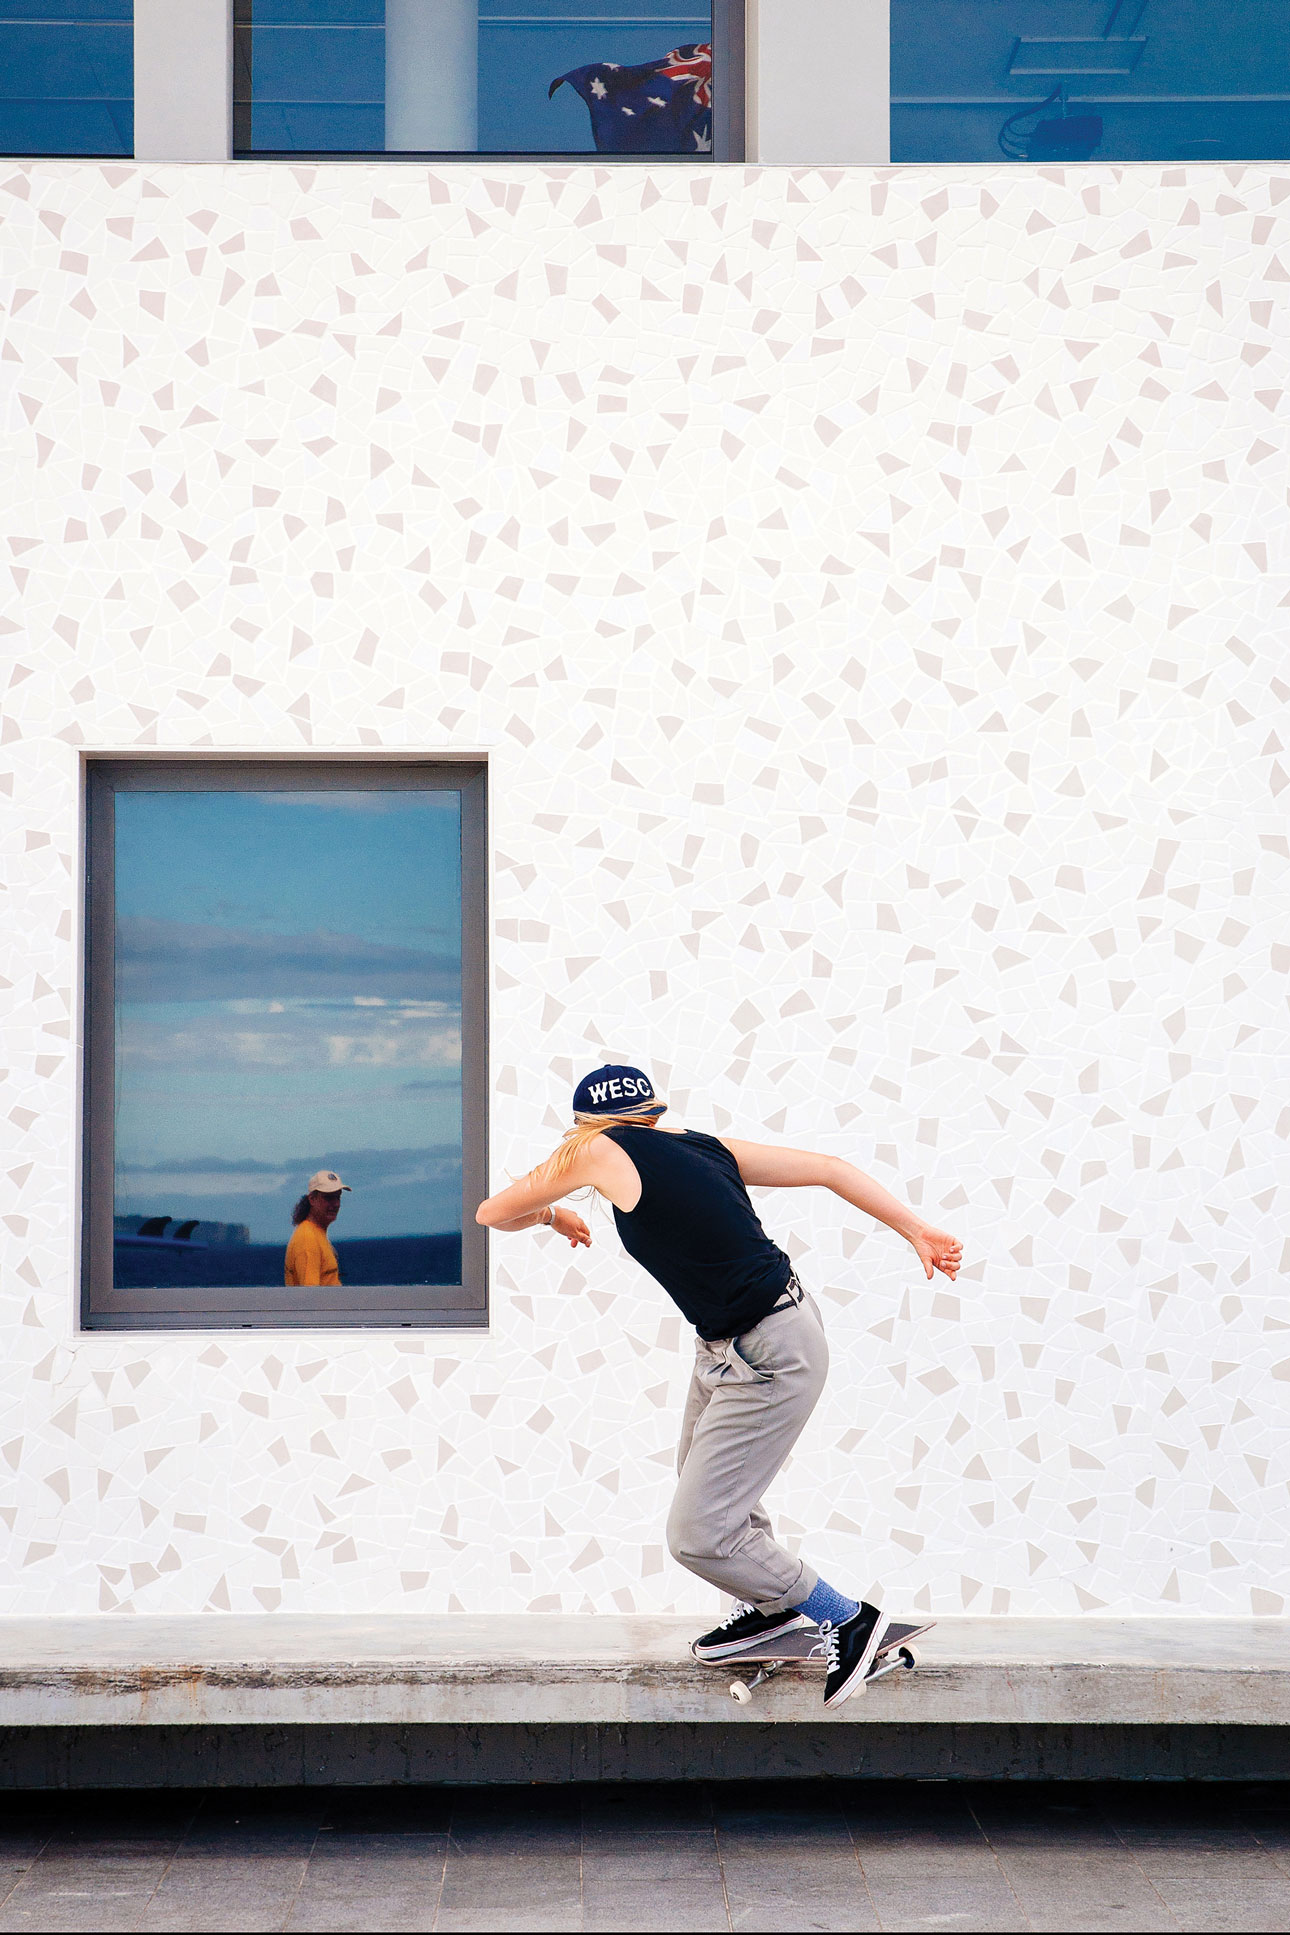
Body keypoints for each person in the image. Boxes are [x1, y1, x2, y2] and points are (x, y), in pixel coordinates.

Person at [475, 1064, 963, 1708]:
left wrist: (552, 1215)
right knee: (712, 1495)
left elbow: (492, 1212)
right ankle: (774, 1612)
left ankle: (846, 1619)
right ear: (655, 1111)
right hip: (749, 1336)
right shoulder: (706, 1146)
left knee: (700, 1533)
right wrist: (916, 1230)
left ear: (583, 1126)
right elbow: (830, 1168)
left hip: (769, 1350)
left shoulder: (595, 1149)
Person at [284, 1168, 351, 1287]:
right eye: (328, 1198)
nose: (335, 1204)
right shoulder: (307, 1239)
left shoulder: (316, 1233)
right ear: (312, 1199)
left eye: (337, 1197)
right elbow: (310, 1295)